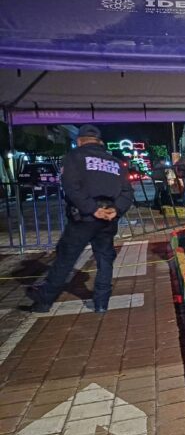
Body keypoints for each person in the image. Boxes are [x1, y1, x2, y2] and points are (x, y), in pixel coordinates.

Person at [25, 125, 133, 313]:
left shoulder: (74, 157)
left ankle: (44, 299)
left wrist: (93, 209)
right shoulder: (115, 162)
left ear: (80, 141)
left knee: (66, 258)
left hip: (84, 217)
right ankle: (101, 302)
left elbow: (71, 187)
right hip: (108, 217)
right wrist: (114, 210)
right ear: (100, 142)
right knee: (105, 259)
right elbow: (127, 192)